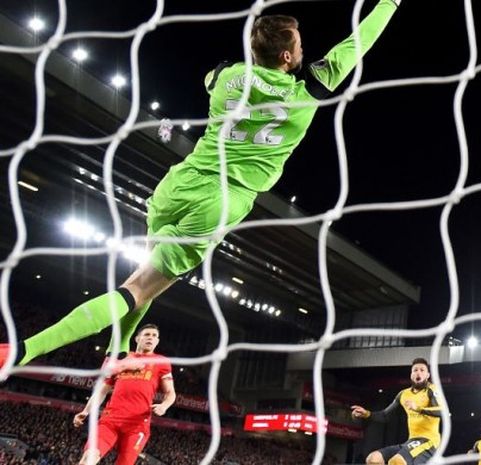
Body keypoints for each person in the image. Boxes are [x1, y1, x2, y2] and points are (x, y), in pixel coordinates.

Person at [0, 0, 402, 370]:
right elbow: (359, 41)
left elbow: (213, 75)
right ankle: (24, 349)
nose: (302, 50)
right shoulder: (310, 88)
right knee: (138, 287)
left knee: (145, 281)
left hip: (177, 186)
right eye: (297, 45)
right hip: (220, 202)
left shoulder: (226, 75)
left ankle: (116, 353)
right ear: (286, 56)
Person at [73, 324, 176, 465]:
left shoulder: (161, 362)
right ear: (137, 338)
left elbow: (170, 393)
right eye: (147, 334)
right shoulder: (122, 359)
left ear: (157, 341)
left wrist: (164, 406)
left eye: (154, 336)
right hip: (110, 420)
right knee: (89, 457)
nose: (151, 338)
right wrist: (86, 411)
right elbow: (102, 390)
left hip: (137, 425)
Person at [351, 357, 442, 465]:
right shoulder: (403, 394)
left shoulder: (432, 390)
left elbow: (441, 411)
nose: (418, 373)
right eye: (415, 370)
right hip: (411, 442)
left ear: (428, 375)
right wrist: (367, 414)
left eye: (422, 370)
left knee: (396, 461)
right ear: (411, 374)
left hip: (429, 441)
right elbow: (385, 415)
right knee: (373, 459)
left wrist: (418, 408)